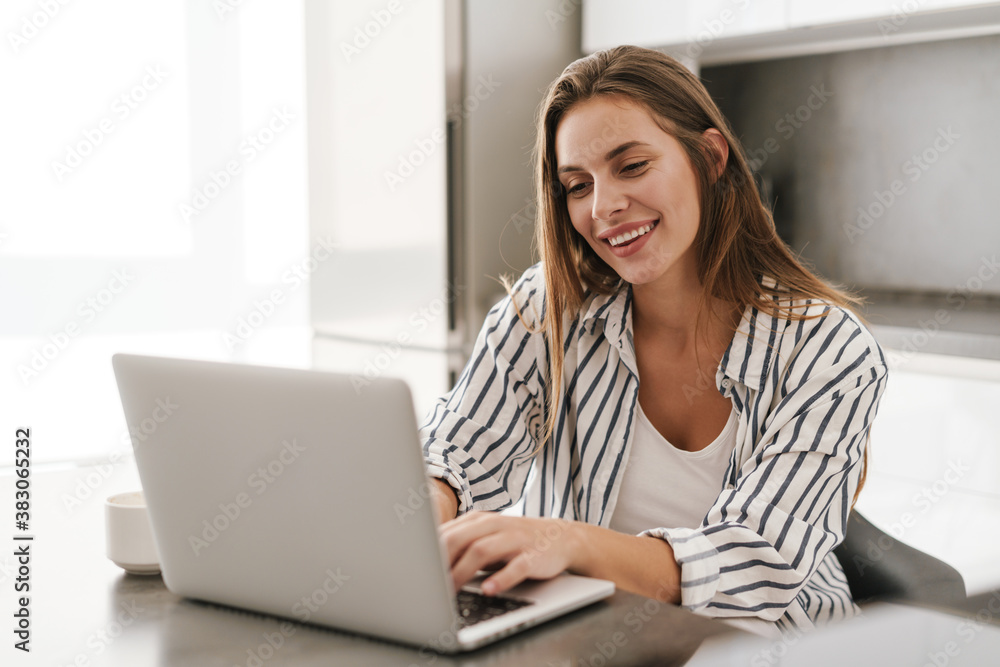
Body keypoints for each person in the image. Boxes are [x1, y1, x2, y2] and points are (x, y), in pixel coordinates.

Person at [419, 45, 887, 637]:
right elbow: (455, 451)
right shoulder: (550, 309)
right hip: (589, 638)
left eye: (632, 165)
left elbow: (756, 564)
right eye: (577, 185)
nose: (604, 207)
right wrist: (423, 514)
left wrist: (566, 541)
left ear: (709, 158)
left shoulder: (830, 352)